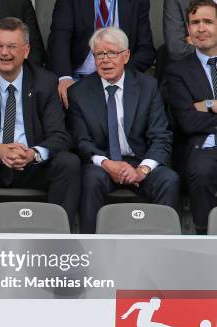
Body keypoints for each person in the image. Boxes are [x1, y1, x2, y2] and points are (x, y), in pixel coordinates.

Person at [0, 17, 80, 232]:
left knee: (69, 163)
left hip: (32, 164)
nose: (4, 53)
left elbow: (60, 135)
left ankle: (56, 246)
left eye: (11, 46)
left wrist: (33, 154)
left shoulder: (45, 82)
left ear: (26, 50)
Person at [68, 27, 180, 234]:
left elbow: (161, 136)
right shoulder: (79, 92)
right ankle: (90, 251)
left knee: (169, 179)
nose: (105, 60)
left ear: (126, 56)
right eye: (99, 54)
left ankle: (167, 251)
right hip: (103, 162)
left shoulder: (147, 86)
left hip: (139, 160)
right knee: (91, 180)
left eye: (112, 53)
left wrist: (142, 170)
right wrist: (107, 163)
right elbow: (81, 140)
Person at [166, 0, 217, 234]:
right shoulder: (178, 70)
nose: (201, 28)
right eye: (195, 22)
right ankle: (204, 238)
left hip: (207, 133)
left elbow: (197, 114)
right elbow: (187, 121)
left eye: (208, 21)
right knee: (201, 172)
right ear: (187, 29)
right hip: (201, 147)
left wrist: (203, 105)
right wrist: (211, 104)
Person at [48, 0, 156, 109]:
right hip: (78, 80)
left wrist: (120, 74)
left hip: (119, 78)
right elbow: (59, 39)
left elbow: (146, 49)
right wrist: (64, 77)